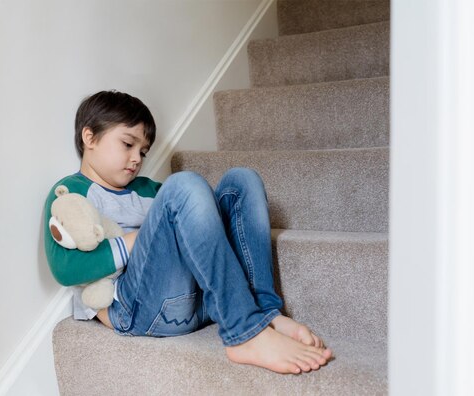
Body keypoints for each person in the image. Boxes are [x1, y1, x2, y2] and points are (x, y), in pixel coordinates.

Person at [44, 90, 333, 374]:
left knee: (241, 181)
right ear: (89, 137)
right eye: (128, 144)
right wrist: (133, 241)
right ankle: (245, 332)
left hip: (201, 303)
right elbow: (66, 269)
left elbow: (200, 229)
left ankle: (264, 311)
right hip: (138, 309)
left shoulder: (150, 189)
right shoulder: (71, 193)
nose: (136, 159)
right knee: (184, 185)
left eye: (143, 152)